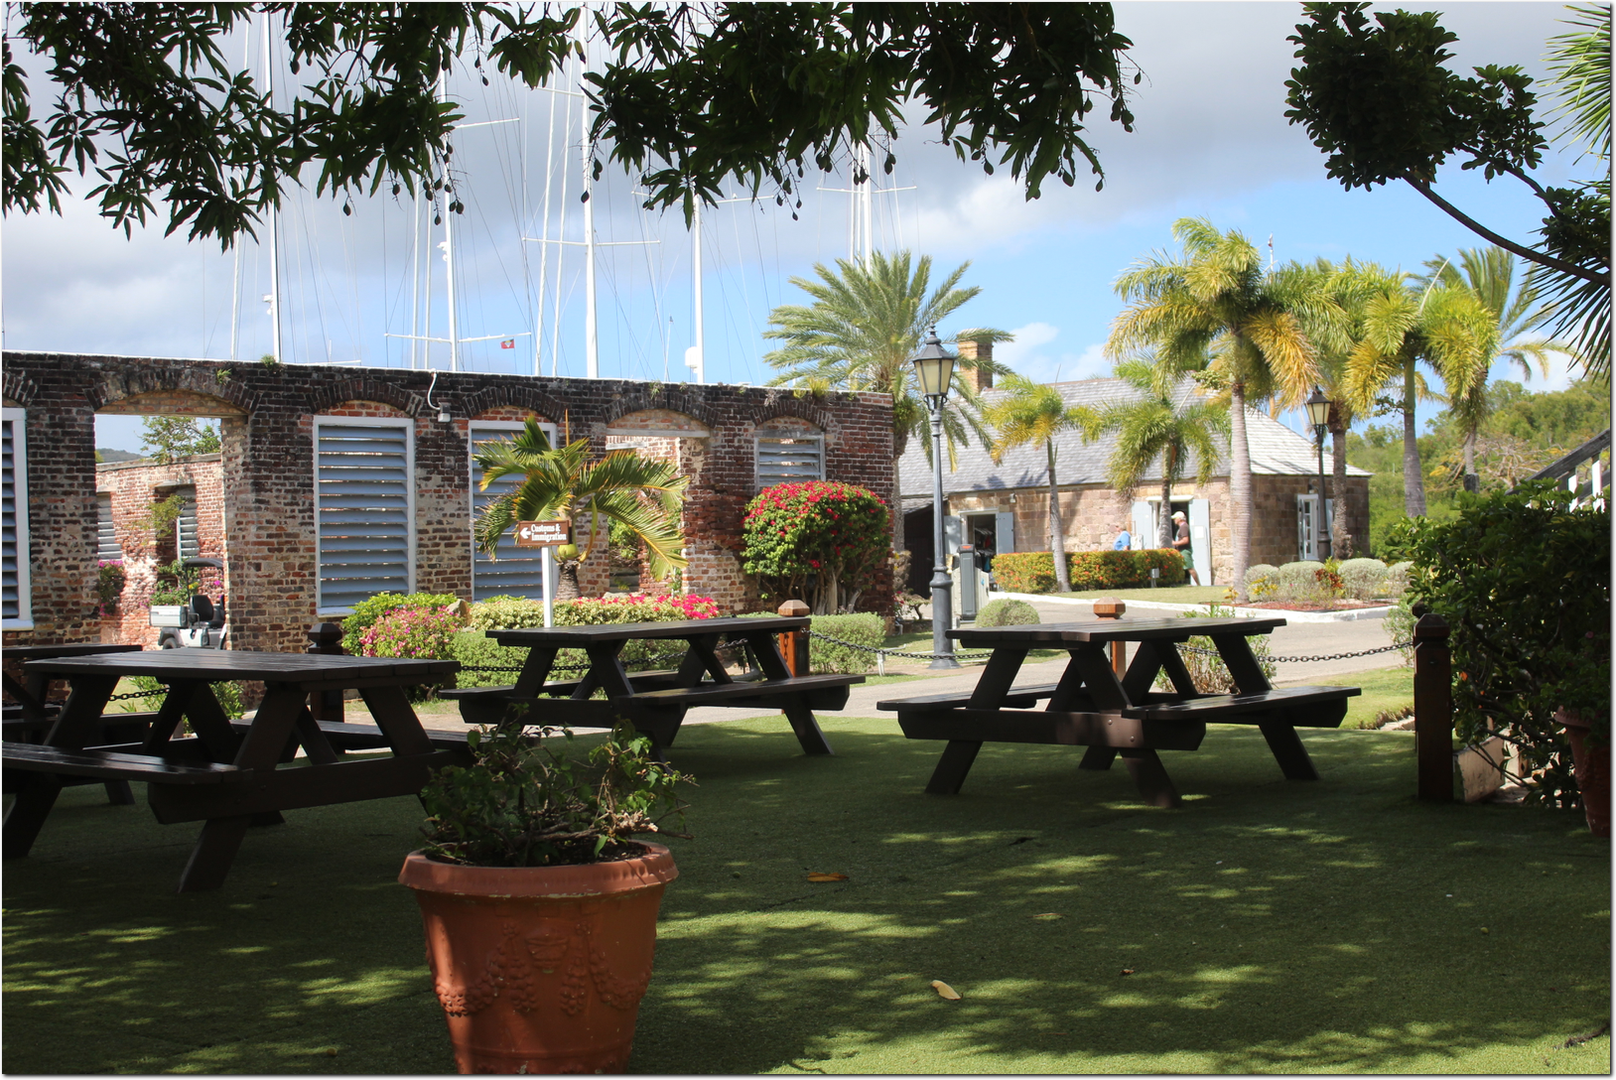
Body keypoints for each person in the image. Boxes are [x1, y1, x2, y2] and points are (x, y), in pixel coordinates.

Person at [1171, 510, 1200, 586]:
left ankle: (1198, 584)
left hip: (1184, 550)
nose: (1174, 520)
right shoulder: (1182, 527)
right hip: (1181, 550)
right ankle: (1181, 583)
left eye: (1175, 518)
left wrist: (1174, 543)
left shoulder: (1184, 527)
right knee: (1182, 567)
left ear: (1180, 519)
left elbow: (1185, 540)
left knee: (1190, 567)